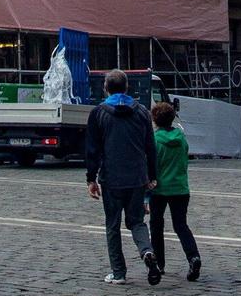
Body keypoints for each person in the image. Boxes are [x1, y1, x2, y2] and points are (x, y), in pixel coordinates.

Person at [84, 70, 161, 285]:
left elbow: (92, 149)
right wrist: (152, 175)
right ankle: (146, 251)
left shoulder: (99, 112)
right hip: (137, 176)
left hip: (111, 177)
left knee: (113, 225)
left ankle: (118, 272)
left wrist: (91, 179)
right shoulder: (143, 112)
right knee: (137, 221)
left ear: (106, 88)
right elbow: (150, 147)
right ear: (127, 88)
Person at [148, 101, 202, 282]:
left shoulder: (155, 141)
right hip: (180, 187)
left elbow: (152, 166)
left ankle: (159, 263)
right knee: (181, 225)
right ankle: (193, 256)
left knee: (156, 225)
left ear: (155, 120)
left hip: (159, 189)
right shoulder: (181, 139)